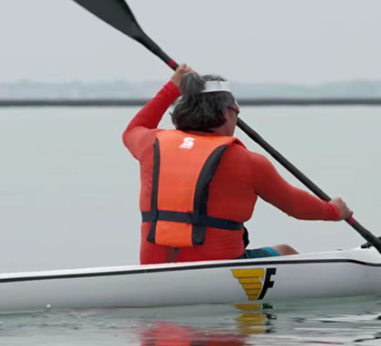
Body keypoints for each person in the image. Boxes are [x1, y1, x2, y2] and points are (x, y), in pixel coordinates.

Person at [123, 64, 352, 264]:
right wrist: (333, 210)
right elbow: (296, 206)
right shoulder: (248, 161)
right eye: (236, 112)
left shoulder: (151, 144)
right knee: (286, 253)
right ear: (227, 113)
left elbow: (133, 129)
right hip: (223, 269)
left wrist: (172, 86)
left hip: (155, 269)